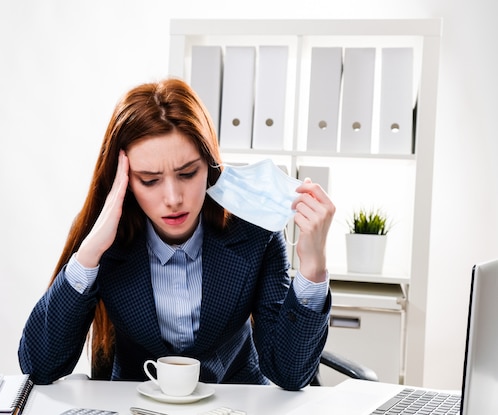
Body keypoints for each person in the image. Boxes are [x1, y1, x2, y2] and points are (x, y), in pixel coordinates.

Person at [18, 78, 335, 391]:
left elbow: (289, 373)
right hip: (135, 406)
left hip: (235, 403)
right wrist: (88, 256)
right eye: (149, 180)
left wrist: (313, 268)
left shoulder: (254, 233)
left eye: (187, 173)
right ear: (125, 180)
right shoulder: (103, 239)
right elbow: (39, 367)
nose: (173, 198)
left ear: (210, 167)